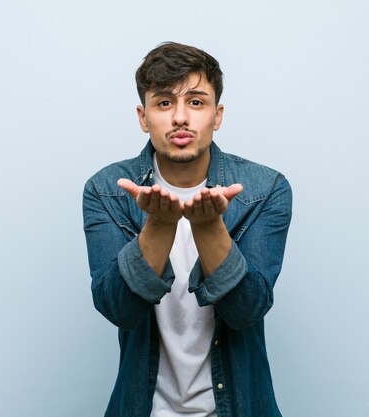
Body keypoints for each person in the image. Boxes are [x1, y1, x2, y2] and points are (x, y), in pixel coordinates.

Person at [83, 41, 293, 417]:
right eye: (164, 103)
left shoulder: (265, 190)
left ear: (218, 115)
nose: (180, 117)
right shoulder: (106, 190)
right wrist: (160, 224)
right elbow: (117, 309)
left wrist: (209, 227)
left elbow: (247, 311)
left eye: (196, 102)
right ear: (143, 116)